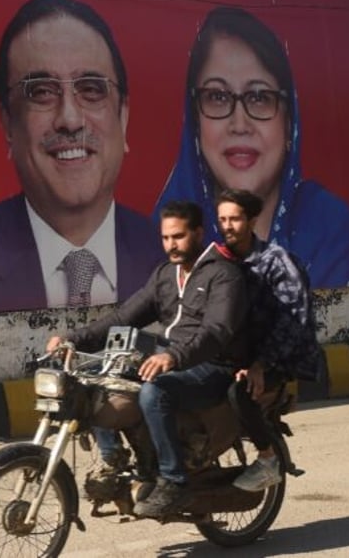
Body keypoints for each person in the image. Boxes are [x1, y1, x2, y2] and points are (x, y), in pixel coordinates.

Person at [0, 0, 162, 315]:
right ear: (7, 123)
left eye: (90, 89)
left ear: (123, 117)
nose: (70, 119)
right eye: (42, 92)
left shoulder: (180, 260)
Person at [47, 200, 250, 519]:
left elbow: (217, 331)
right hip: (170, 359)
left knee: (155, 392)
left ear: (198, 233)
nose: (172, 245)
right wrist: (74, 338)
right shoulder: (166, 275)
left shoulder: (223, 275)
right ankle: (118, 463)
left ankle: (173, 480)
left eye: (179, 237)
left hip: (213, 366)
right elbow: (124, 316)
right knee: (96, 378)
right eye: (166, 238)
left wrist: (173, 355)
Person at [154, 6, 349, 289]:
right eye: (217, 96)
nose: (239, 123)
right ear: (195, 122)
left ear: (288, 123)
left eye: (259, 97)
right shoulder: (158, 244)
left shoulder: (330, 230)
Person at [215, 188, 320, 492]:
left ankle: (267, 459)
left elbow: (293, 320)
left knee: (240, 392)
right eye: (222, 219)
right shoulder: (223, 262)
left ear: (251, 220)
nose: (227, 226)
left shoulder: (278, 262)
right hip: (240, 352)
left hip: (279, 356)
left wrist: (262, 363)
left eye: (234, 219)